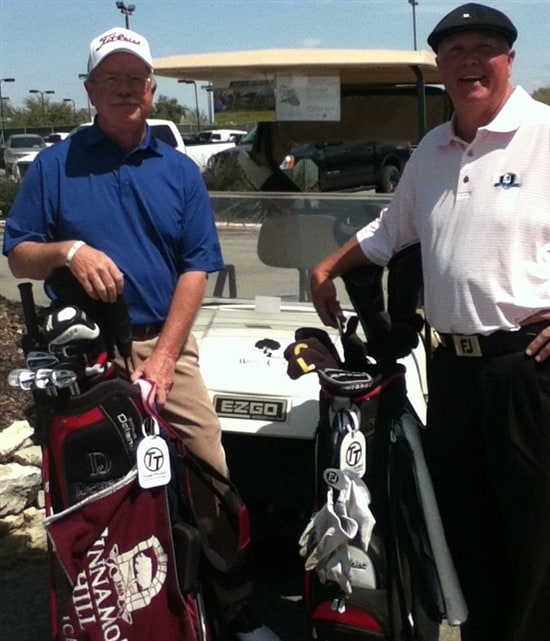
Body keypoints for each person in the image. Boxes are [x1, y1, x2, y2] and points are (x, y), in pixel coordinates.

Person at [2, 26, 280, 641]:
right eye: (111, 78)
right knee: (95, 486)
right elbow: (19, 254)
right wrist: (69, 251)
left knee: (208, 472)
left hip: (164, 346)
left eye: (135, 79)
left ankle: (234, 609)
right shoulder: (54, 166)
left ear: (152, 90)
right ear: (89, 89)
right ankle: (109, 616)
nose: (125, 89)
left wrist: (164, 360)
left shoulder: (178, 171)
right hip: (85, 356)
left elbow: (196, 267)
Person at [310, 4, 550, 641]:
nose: (469, 62)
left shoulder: (545, 135)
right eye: (454, 52)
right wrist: (327, 267)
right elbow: (390, 231)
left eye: (483, 48)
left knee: (536, 539)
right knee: (467, 535)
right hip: (451, 376)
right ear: (441, 67)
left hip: (529, 372)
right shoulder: (431, 153)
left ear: (509, 59)